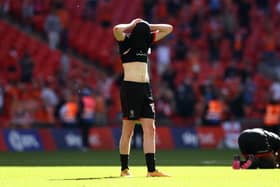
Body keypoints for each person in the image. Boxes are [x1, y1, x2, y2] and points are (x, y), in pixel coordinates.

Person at [113, 18, 173, 177]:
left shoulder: (145, 41)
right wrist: (133, 24)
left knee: (150, 129)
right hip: (130, 88)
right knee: (128, 130)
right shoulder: (126, 42)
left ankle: (151, 170)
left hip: (145, 88)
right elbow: (117, 29)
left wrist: (147, 26)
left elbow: (168, 28)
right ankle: (124, 169)